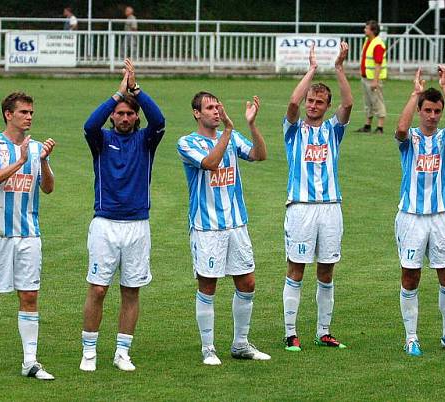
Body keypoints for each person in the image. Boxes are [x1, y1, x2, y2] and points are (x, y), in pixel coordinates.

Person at [80, 59, 165, 372]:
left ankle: (122, 352)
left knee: (131, 290)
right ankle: (89, 351)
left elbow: (159, 119)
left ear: (136, 117)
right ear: (113, 116)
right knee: (98, 288)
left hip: (137, 225)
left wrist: (137, 90)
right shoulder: (101, 139)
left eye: (130, 113)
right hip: (105, 223)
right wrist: (117, 94)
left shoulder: (146, 140)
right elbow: (89, 124)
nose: (125, 118)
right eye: (120, 114)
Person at [177, 91, 269, 365]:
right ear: (197, 113)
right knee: (208, 284)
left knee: (247, 282)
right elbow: (210, 164)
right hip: (207, 228)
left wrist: (251, 126)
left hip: (236, 224)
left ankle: (241, 344)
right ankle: (208, 348)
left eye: (218, 106)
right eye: (209, 108)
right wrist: (229, 130)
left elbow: (259, 155)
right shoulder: (187, 142)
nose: (216, 111)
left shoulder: (232, 136)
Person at [0, 92, 57, 380]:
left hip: (28, 235)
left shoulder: (36, 148)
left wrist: (44, 162)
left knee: (30, 295)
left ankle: (30, 362)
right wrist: (19, 162)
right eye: (23, 112)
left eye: (31, 112)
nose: (30, 116)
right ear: (8, 114)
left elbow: (48, 188)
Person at [394, 66, 445, 357]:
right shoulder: (410, 139)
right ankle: (411, 337)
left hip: (441, 216)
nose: (433, 115)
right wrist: (414, 94)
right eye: (427, 110)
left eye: (437, 111)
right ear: (419, 110)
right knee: (410, 277)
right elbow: (399, 129)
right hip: (411, 217)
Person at [281, 42, 351, 352]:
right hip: (301, 207)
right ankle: (290, 332)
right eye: (311, 100)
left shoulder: (333, 130)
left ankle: (324, 331)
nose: (312, 105)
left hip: (331, 208)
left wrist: (338, 68)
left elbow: (348, 104)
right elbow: (292, 104)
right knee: (296, 268)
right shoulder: (293, 130)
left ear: (326, 106)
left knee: (326, 269)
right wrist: (311, 70)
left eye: (319, 102)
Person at [355, 20, 386, 134]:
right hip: (366, 77)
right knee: (368, 103)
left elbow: (378, 64)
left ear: (372, 31)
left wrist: (375, 81)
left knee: (377, 102)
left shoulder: (377, 44)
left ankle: (380, 127)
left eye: (366, 28)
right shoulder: (368, 41)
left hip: (372, 79)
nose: (364, 30)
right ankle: (367, 125)